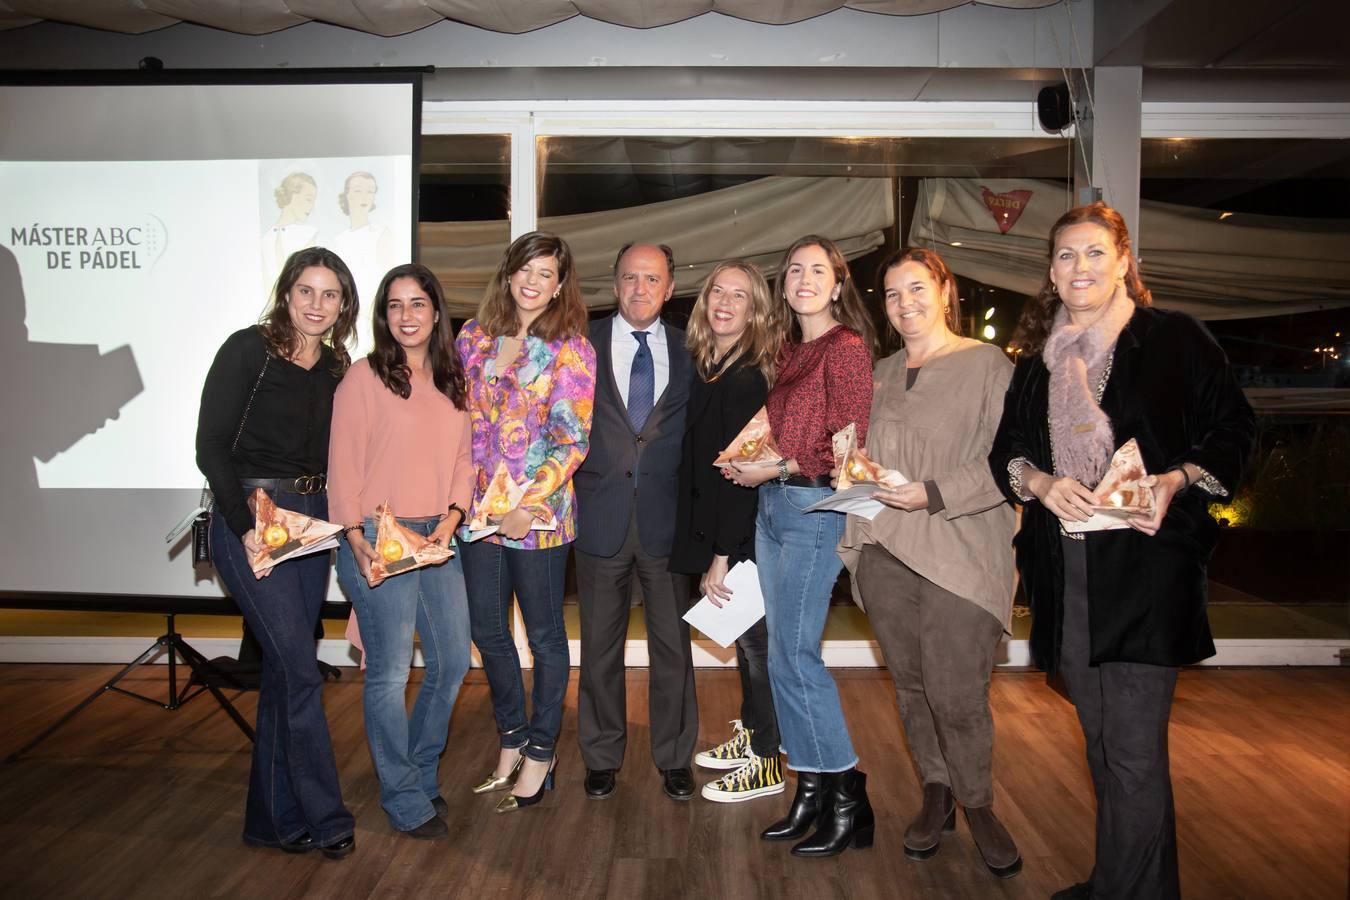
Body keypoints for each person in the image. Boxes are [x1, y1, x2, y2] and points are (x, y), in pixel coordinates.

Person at [989, 202, 1256, 900]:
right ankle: (1129, 881)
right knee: (1106, 747)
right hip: (1066, 575)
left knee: (1133, 754)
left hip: (1145, 573)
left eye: (1095, 252)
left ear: (1124, 262)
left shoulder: (1174, 339)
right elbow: (1007, 453)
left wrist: (1176, 478)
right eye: (1067, 256)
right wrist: (1042, 483)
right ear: (1051, 271)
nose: (1081, 267)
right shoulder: (1036, 364)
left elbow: (1233, 427)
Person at [837, 248, 1021, 877]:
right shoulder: (881, 370)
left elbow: (1009, 462)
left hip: (961, 546)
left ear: (945, 291)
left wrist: (933, 492)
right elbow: (861, 454)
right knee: (912, 684)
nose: (904, 303)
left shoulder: (986, 363)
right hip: (887, 548)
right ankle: (936, 792)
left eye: (916, 288)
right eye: (891, 294)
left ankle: (979, 803)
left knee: (957, 691)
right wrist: (848, 468)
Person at [195, 246, 359, 860]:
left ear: (344, 305)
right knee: (297, 669)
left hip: (312, 524)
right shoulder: (248, 350)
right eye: (306, 291)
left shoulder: (337, 368)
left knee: (284, 672)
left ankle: (271, 819)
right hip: (254, 516)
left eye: (330, 294)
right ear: (286, 293)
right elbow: (210, 445)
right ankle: (326, 815)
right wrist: (244, 526)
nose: (317, 305)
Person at [724, 234, 876, 857]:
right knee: (783, 660)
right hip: (772, 508)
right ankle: (809, 791)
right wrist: (750, 463)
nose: (804, 279)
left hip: (812, 509)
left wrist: (777, 468)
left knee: (796, 656)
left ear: (839, 284)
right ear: (783, 284)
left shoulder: (846, 348)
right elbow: (783, 430)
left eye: (818, 270)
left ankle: (848, 797)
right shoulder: (789, 352)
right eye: (794, 270)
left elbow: (848, 444)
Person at [328, 263, 473, 840]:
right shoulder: (363, 379)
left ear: (436, 312)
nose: (407, 315)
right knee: (389, 674)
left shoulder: (452, 376)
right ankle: (402, 794)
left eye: (418, 304)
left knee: (452, 663)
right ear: (383, 316)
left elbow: (465, 457)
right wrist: (356, 539)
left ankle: (416, 768)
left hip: (437, 536)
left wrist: (455, 517)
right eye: (395, 305)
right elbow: (341, 465)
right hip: (376, 534)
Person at [457, 231, 595, 814]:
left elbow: (573, 440)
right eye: (525, 270)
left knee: (543, 638)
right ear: (508, 273)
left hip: (538, 518)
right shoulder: (472, 338)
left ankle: (543, 750)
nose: (534, 282)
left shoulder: (572, 349)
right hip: (476, 516)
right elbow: (457, 424)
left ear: (560, 284)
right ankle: (511, 738)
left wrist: (526, 505)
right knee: (488, 632)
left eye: (546, 273)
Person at [573, 242, 698, 803]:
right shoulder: (580, 347)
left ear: (669, 287)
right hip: (599, 518)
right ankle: (601, 756)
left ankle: (674, 757)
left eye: (652, 279)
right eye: (630, 277)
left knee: (674, 647)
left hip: (668, 523)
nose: (640, 288)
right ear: (614, 283)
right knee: (600, 648)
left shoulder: (693, 349)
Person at [669, 261, 785, 804]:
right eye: (718, 291)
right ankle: (753, 735)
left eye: (740, 295)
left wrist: (721, 554)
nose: (725, 302)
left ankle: (766, 761)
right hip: (723, 530)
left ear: (755, 310)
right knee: (745, 642)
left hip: (744, 535)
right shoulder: (708, 363)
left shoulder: (750, 375)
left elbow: (743, 475)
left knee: (758, 648)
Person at [330, 172, 396, 315]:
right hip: (342, 313)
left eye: (370, 191)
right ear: (346, 195)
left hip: (370, 312)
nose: (365, 196)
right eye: (358, 190)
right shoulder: (338, 239)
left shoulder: (382, 234)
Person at [261, 172, 319, 294]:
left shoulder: (308, 234)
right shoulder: (265, 238)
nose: (312, 206)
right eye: (308, 199)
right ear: (292, 195)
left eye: (313, 200)